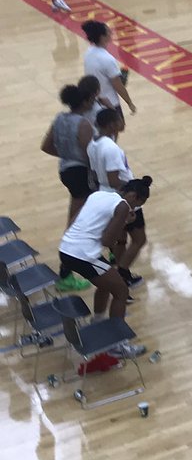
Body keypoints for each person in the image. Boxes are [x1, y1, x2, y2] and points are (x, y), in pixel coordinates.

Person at [58, 176, 152, 357]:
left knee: (107, 283)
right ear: (132, 196)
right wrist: (125, 221)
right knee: (122, 291)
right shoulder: (123, 206)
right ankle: (117, 344)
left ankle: (98, 320)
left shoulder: (98, 195)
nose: (135, 209)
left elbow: (73, 221)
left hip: (66, 249)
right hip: (83, 255)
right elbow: (108, 240)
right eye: (138, 204)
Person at [88, 108, 145, 291]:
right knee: (139, 239)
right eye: (120, 120)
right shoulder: (110, 148)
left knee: (121, 240)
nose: (122, 123)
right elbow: (114, 180)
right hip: (123, 198)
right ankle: (122, 273)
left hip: (106, 195)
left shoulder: (94, 143)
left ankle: (122, 275)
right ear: (112, 124)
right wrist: (134, 190)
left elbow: (95, 174)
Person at [41, 83, 97, 229]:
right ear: (84, 102)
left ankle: (71, 236)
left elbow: (45, 146)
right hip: (80, 172)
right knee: (83, 209)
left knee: (76, 203)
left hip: (65, 170)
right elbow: (89, 155)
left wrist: (67, 154)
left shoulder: (59, 118)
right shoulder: (83, 124)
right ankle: (70, 239)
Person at [82, 20, 136, 120]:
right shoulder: (108, 59)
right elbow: (118, 86)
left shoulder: (88, 53)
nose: (111, 33)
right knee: (113, 131)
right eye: (108, 31)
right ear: (102, 37)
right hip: (110, 103)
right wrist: (129, 102)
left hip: (94, 102)